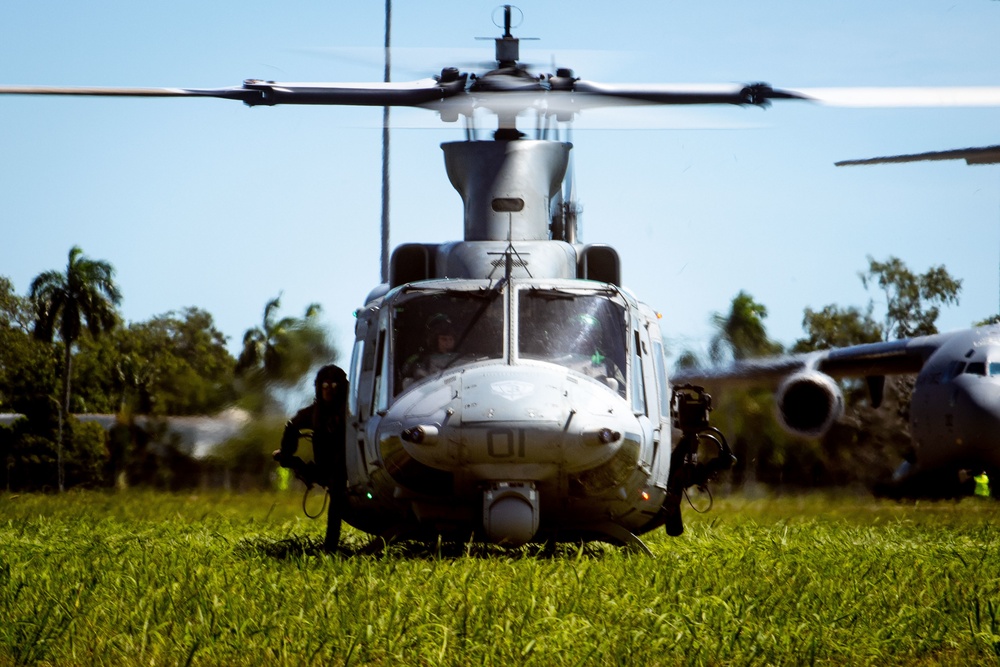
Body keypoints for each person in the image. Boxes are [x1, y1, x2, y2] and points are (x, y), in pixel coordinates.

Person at [273, 364, 348, 550]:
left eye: (334, 386)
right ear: (318, 387)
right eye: (325, 386)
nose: (329, 391)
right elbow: (292, 426)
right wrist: (287, 452)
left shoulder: (351, 411)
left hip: (346, 469)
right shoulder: (315, 413)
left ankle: (330, 545)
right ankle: (301, 468)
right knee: (285, 459)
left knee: (337, 496)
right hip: (323, 467)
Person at [402, 314, 459, 387]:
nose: (448, 343)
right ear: (433, 340)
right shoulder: (418, 360)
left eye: (450, 339)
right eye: (444, 339)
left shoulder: (461, 358)